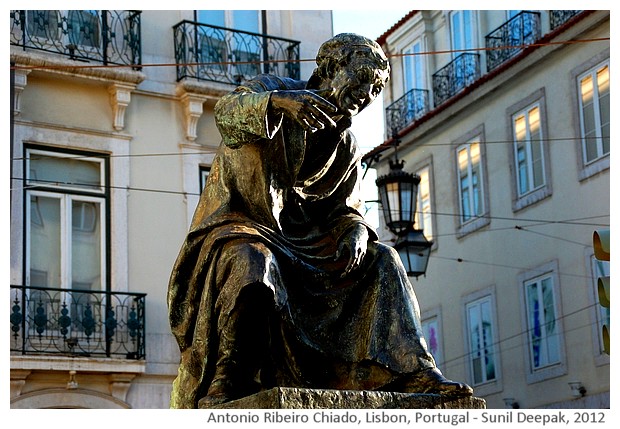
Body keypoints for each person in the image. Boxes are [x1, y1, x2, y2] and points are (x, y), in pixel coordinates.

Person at [167, 33, 473, 409]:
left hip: (311, 250)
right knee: (251, 262)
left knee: (385, 261)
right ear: (331, 68)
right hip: (244, 226)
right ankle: (227, 378)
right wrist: (280, 104)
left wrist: (357, 232)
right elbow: (227, 114)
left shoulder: (345, 144)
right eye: (361, 79)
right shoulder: (272, 91)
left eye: (375, 89)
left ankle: (415, 370)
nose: (366, 94)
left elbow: (346, 209)